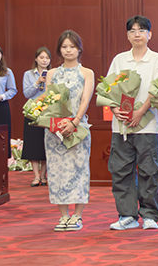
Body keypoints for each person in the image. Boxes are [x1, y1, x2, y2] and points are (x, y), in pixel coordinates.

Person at [103, 15, 158, 231]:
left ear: (150, 34)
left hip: (148, 125)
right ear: (127, 35)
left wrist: (140, 112)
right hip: (121, 126)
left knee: (150, 170)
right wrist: (115, 109)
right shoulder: (119, 60)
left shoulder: (157, 60)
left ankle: (149, 214)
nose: (137, 34)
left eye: (141, 30)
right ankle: (127, 215)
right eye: (132, 31)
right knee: (121, 171)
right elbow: (108, 89)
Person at [46, 30, 94, 231]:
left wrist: (74, 122)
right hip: (55, 131)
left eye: (72, 46)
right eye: (64, 47)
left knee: (79, 169)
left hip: (78, 128)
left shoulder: (86, 73)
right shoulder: (52, 74)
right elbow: (48, 102)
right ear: (59, 50)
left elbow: (85, 100)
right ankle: (63, 216)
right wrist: (56, 124)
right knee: (57, 171)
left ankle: (77, 215)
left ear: (79, 49)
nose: (68, 50)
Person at [22, 47, 52, 186]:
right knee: (33, 144)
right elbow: (26, 94)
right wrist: (38, 82)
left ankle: (44, 175)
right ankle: (36, 176)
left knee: (45, 143)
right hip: (32, 111)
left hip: (48, 111)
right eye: (41, 57)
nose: (44, 60)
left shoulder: (53, 73)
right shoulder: (28, 74)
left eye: (47, 58)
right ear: (36, 59)